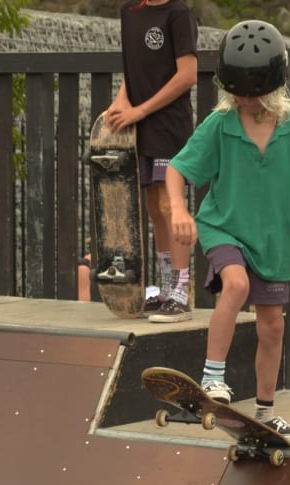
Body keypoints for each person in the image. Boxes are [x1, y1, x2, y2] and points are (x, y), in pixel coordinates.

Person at [165, 20, 290, 443]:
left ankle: (265, 412)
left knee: (274, 327)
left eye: (252, 93)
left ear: (273, 85)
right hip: (224, 226)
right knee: (235, 284)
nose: (244, 100)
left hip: (273, 240)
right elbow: (176, 169)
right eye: (238, 93)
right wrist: (178, 208)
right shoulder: (220, 125)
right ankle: (213, 377)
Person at [105, 0, 197, 322]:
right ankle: (163, 291)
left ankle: (181, 293)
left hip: (169, 126)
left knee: (172, 206)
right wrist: (121, 100)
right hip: (140, 128)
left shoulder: (178, 14)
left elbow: (187, 75)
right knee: (155, 207)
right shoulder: (129, 12)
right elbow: (135, 68)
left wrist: (141, 109)